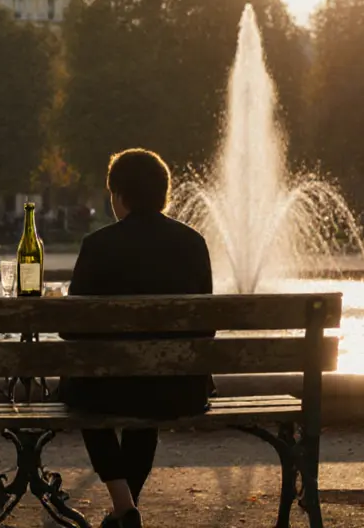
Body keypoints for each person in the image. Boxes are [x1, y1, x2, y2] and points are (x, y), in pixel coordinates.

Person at [60, 149, 214, 528]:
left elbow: (70, 327)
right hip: (180, 388)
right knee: (149, 397)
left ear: (118, 195)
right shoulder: (193, 243)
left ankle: (123, 504)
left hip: (105, 389)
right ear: (164, 194)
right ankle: (124, 507)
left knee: (81, 394)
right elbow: (206, 327)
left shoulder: (98, 245)